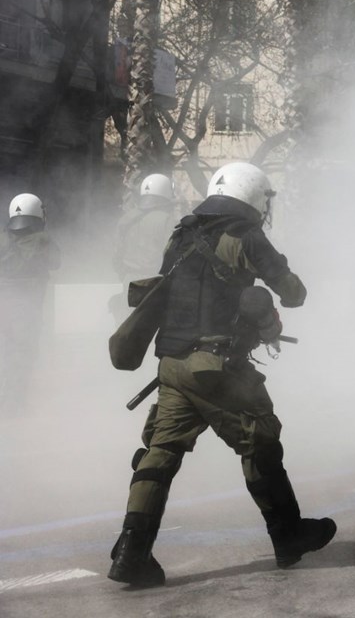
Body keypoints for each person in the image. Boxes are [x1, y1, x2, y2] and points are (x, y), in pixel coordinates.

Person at [108, 162, 335, 588]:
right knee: (261, 438)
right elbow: (294, 293)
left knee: (160, 454)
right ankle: (288, 536)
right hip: (215, 368)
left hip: (171, 366)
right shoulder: (245, 235)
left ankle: (130, 552)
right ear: (254, 196)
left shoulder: (181, 234)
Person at [0, 193, 61, 412]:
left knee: (7, 350)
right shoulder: (43, 238)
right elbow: (56, 262)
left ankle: (8, 397)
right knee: (23, 352)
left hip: (4, 305)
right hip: (28, 308)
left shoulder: (3, 236)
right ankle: (13, 402)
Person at [114, 173, 178, 282]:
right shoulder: (167, 220)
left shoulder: (126, 218)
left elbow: (117, 255)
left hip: (129, 281)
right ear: (166, 194)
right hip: (155, 283)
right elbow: (174, 255)